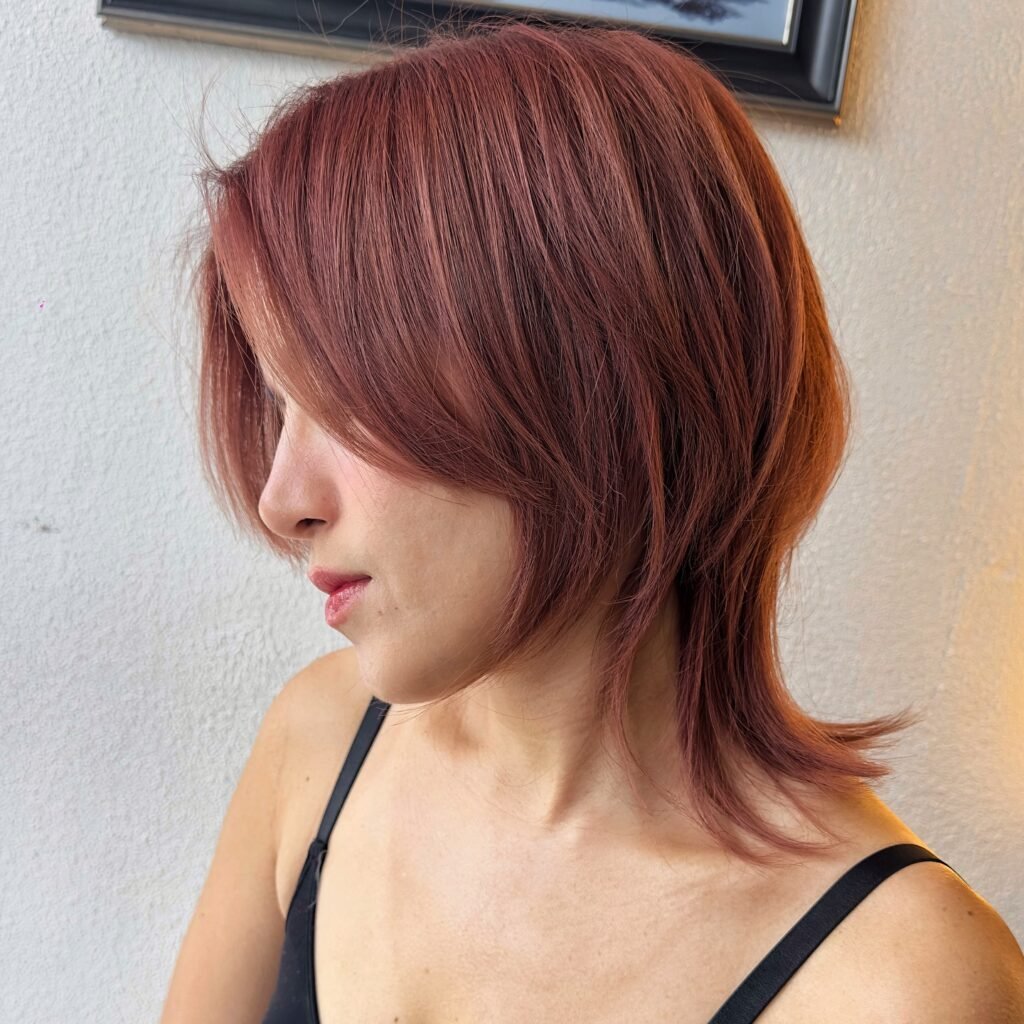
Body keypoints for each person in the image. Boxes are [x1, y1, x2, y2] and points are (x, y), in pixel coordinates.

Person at [160, 18, 1024, 1024]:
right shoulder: (320, 738)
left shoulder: (904, 980)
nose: (280, 500)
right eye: (281, 404)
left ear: (594, 382)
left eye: (348, 399)